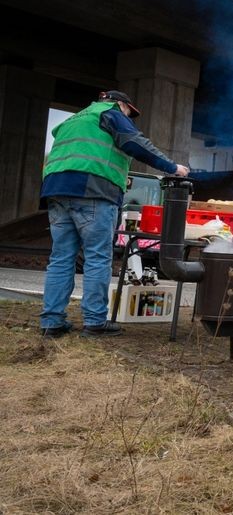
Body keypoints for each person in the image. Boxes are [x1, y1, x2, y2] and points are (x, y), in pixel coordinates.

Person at [40, 90, 189, 338]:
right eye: (130, 113)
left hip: (56, 190)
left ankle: (51, 322)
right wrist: (172, 167)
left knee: (61, 258)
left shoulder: (74, 120)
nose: (129, 117)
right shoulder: (110, 113)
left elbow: (86, 154)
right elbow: (135, 142)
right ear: (121, 104)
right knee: (97, 256)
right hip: (93, 191)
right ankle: (95, 322)